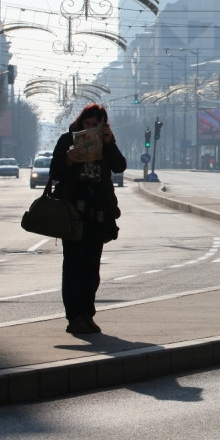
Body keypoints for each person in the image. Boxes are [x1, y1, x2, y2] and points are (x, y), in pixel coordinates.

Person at [49, 104, 127, 335]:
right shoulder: (67, 140)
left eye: (97, 125)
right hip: (72, 212)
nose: (91, 128)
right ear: (81, 123)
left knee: (91, 268)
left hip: (98, 213)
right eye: (88, 124)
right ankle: (74, 316)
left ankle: (87, 314)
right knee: (73, 265)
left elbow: (119, 166)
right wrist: (69, 160)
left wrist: (109, 142)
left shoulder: (105, 142)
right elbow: (55, 173)